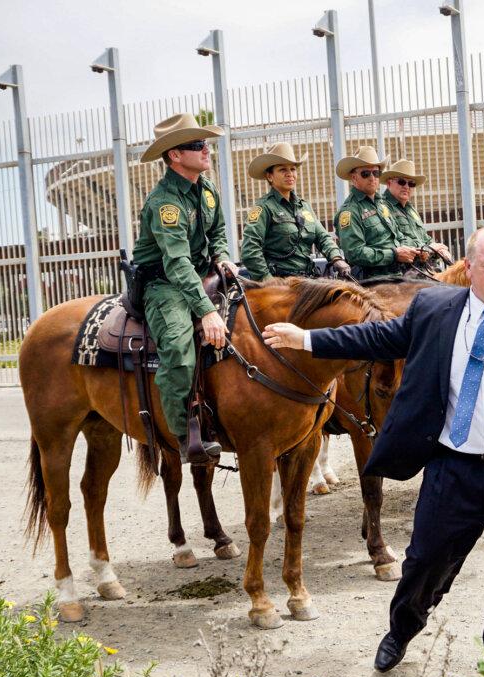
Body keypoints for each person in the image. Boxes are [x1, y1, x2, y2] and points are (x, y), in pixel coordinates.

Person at [262, 227, 484, 677]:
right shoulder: (434, 310)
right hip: (454, 468)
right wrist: (306, 339)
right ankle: (402, 630)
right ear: (469, 269)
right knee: (425, 566)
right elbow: (376, 337)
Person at [132, 113, 236, 463]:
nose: (206, 150)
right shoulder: (165, 203)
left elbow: (219, 230)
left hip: (203, 274)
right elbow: (176, 263)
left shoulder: (206, 191)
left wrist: (221, 256)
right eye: (196, 145)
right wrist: (206, 310)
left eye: (205, 143)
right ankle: (183, 436)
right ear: (175, 155)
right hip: (165, 285)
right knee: (178, 348)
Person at [240, 142, 350, 280]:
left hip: (307, 279)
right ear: (270, 176)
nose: (290, 174)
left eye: (292, 169)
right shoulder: (263, 208)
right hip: (280, 283)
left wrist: (336, 258)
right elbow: (250, 250)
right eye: (282, 170)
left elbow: (322, 237)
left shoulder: (304, 207)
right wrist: (269, 281)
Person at [334, 146, 419, 279]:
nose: (372, 178)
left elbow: (398, 236)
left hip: (397, 274)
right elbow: (355, 253)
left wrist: (416, 250)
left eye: (376, 173)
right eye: (366, 174)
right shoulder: (349, 211)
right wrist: (394, 254)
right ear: (354, 177)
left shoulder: (382, 204)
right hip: (372, 281)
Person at [379, 159, 450, 267]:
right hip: (402, 270)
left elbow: (424, 237)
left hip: (423, 266)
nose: (407, 187)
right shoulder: (383, 207)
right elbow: (396, 240)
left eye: (411, 183)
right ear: (389, 183)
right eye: (401, 182)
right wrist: (429, 249)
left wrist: (438, 248)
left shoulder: (410, 209)